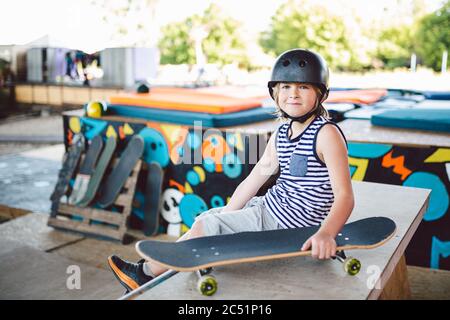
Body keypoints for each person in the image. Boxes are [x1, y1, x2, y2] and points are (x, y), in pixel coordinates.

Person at [107, 48, 355, 292]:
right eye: (286, 87)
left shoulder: (326, 134)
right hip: (268, 208)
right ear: (275, 92)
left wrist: (326, 233)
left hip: (292, 224)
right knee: (206, 220)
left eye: (303, 87)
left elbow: (345, 196)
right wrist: (227, 213)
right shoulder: (282, 133)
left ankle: (144, 275)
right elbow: (254, 179)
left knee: (208, 228)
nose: (293, 94)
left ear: (320, 94)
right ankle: (151, 269)